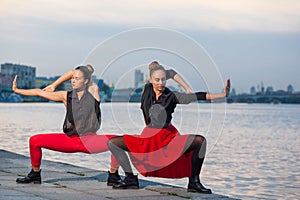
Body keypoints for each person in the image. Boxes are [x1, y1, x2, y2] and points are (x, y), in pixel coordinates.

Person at [108, 64, 230, 193]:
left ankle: (194, 183)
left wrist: (222, 95)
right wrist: (155, 66)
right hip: (148, 136)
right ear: (150, 80)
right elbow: (170, 72)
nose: (161, 83)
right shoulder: (147, 89)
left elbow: (198, 96)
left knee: (200, 141)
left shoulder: (172, 96)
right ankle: (130, 178)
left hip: (166, 138)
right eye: (157, 80)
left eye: (163, 79)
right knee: (113, 143)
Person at [13, 65, 121, 185]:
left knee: (119, 142)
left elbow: (72, 72)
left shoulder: (93, 91)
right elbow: (39, 92)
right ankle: (35, 174)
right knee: (34, 140)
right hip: (70, 140)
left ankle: (113, 176)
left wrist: (55, 84)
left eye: (77, 78)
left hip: (89, 141)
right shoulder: (65, 96)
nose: (73, 80)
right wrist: (18, 90)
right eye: (72, 78)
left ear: (86, 81)